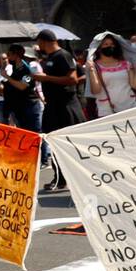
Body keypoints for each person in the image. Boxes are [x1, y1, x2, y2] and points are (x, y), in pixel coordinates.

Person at [33, 30, 86, 192]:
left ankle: (79, 177)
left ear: (44, 41)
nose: (38, 46)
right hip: (53, 107)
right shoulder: (49, 58)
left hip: (66, 106)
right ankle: (60, 178)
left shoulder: (63, 55)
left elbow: (73, 79)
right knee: (54, 143)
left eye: (39, 42)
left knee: (69, 145)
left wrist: (45, 78)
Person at [85, 32, 136, 118]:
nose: (109, 46)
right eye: (105, 44)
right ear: (99, 48)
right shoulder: (95, 66)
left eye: (112, 44)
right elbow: (96, 90)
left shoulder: (126, 64)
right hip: (107, 111)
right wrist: (91, 70)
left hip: (130, 106)